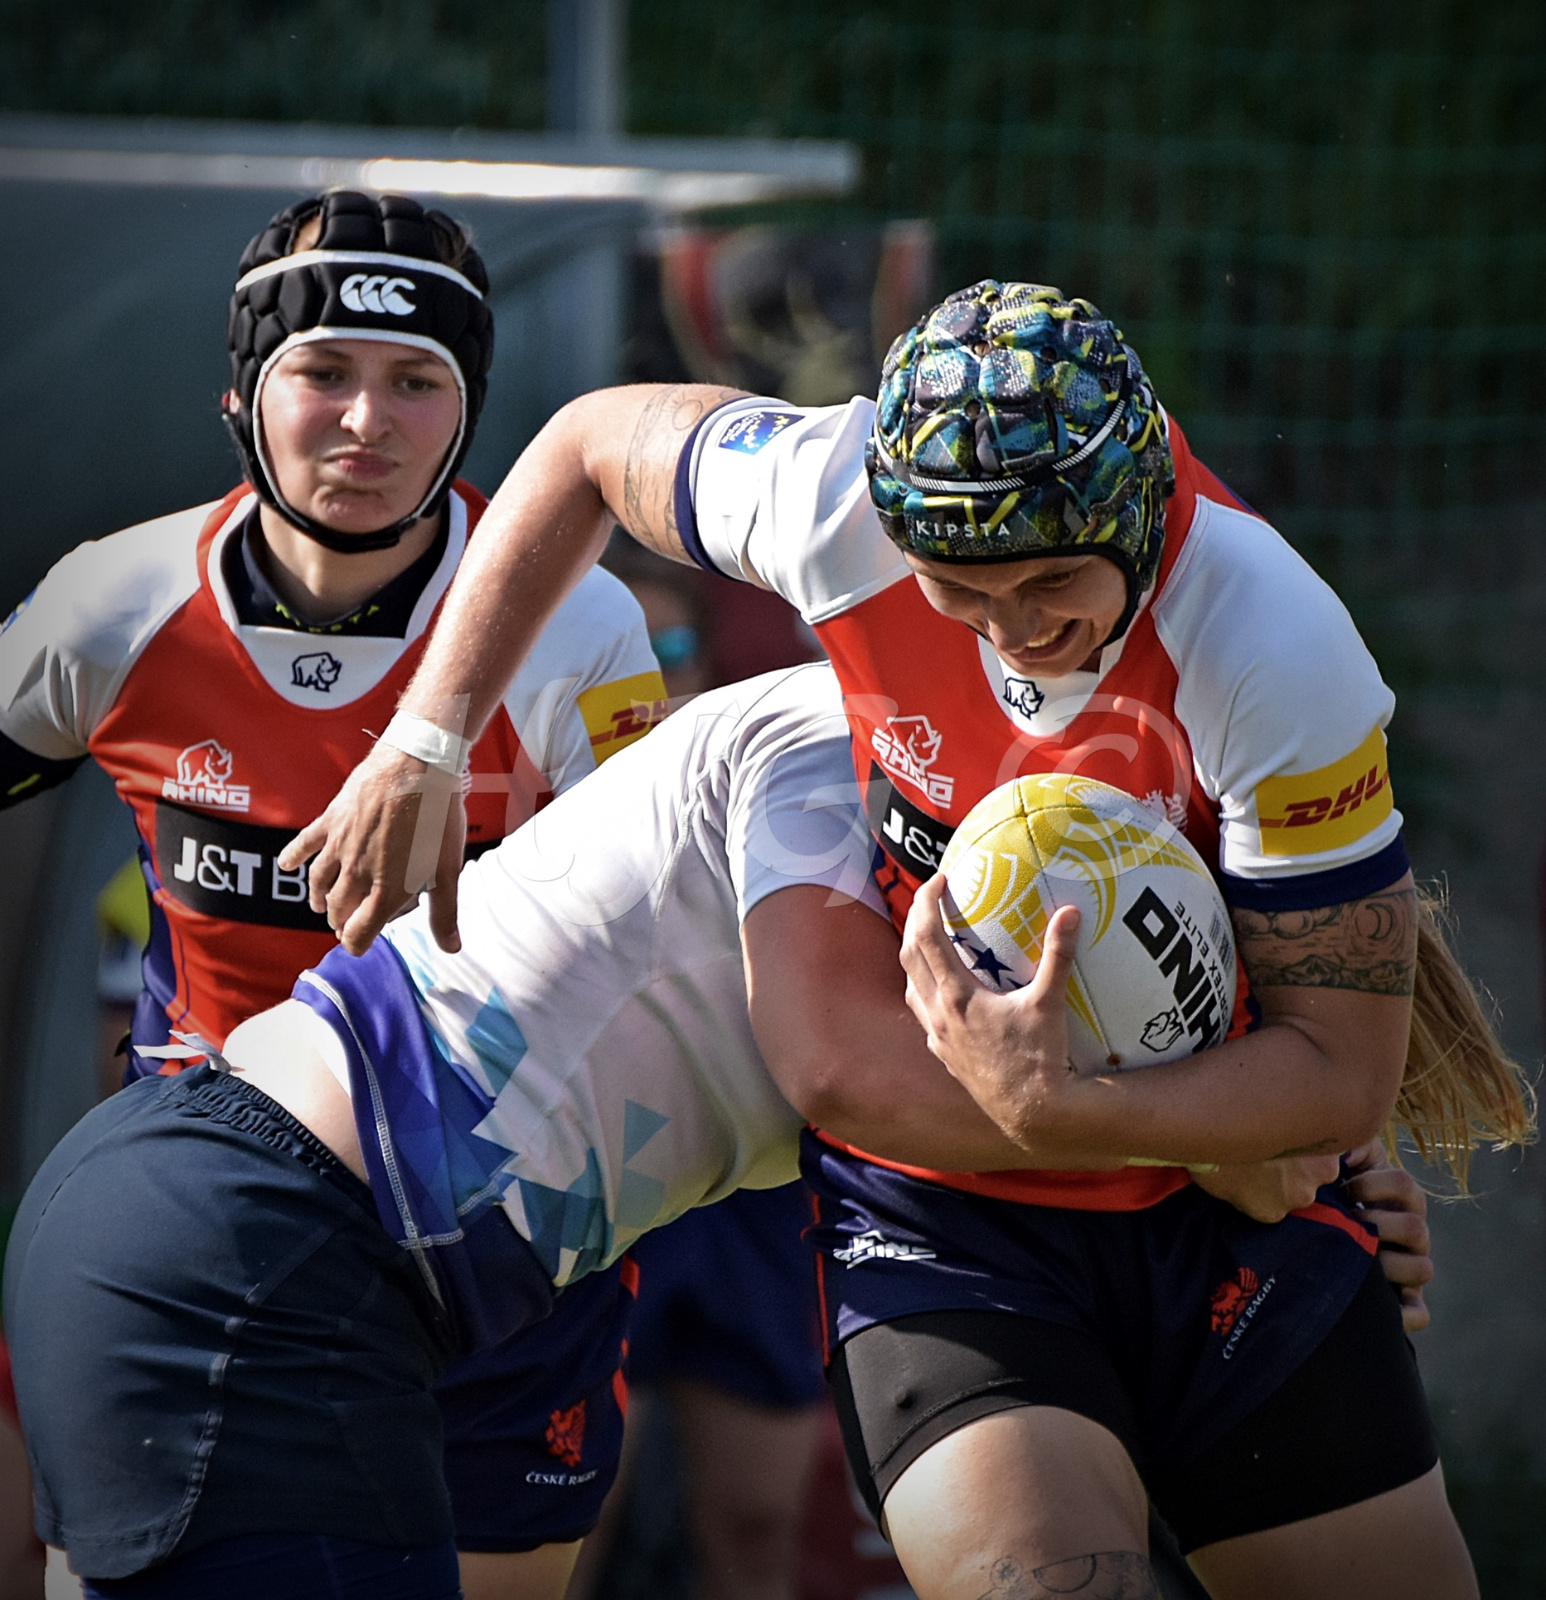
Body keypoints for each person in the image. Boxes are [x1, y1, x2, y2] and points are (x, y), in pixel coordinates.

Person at [283, 282, 1530, 1597]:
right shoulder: (828, 497)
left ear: (1139, 519)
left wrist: (1111, 1115)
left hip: (1228, 1199)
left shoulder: (1265, 632)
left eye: (1051, 584)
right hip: (950, 1212)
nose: (1009, 632)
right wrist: (427, 735)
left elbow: (1337, 1073)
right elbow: (589, 445)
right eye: (956, 592)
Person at [0, 190, 668, 1600]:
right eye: (324, 373)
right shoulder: (108, 609)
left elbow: (658, 940)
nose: (366, 422)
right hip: (207, 1207)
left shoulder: (581, 628)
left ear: (471, 407)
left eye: (416, 381)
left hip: (496, 1219)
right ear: (244, 392)